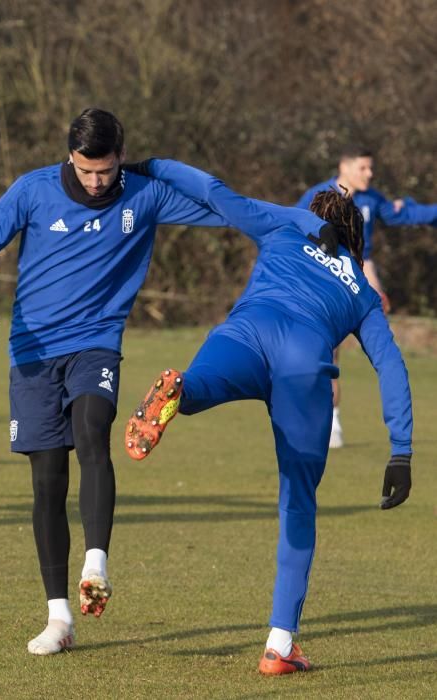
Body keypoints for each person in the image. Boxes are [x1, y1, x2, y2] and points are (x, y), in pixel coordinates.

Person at [0, 107, 250, 656]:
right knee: (47, 481)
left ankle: (96, 562)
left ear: (121, 158)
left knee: (93, 429)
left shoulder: (145, 193)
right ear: (70, 157)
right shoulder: (32, 191)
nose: (96, 182)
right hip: (34, 352)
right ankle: (58, 618)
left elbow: (227, 208)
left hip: (97, 343)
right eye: (86, 171)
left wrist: (303, 221)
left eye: (106, 171)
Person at [124, 158, 413, 675]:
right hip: (304, 365)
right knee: (297, 503)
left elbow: (214, 190)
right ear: (355, 236)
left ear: (311, 214)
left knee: (200, 384)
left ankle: (180, 394)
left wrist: (150, 165)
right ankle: (280, 646)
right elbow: (390, 363)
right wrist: (401, 450)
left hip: (246, 333)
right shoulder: (361, 291)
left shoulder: (283, 225)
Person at [296, 145, 437, 448]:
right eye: (363, 168)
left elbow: (404, 215)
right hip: (321, 285)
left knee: (380, 354)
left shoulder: (371, 199)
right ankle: (323, 420)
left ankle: (333, 424)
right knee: (323, 353)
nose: (370, 174)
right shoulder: (317, 196)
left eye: (371, 168)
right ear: (343, 167)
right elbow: (291, 228)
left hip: (359, 286)